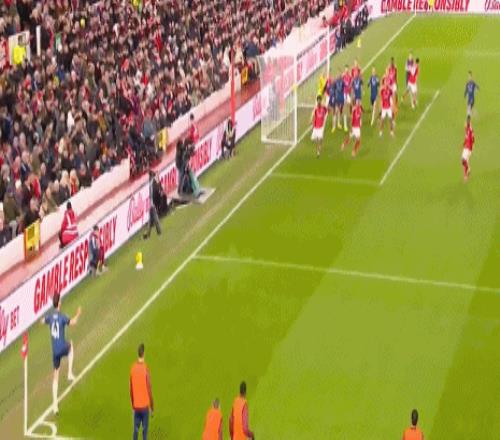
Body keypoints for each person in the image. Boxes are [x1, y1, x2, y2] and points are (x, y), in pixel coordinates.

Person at [40, 293, 81, 415]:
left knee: (55, 375)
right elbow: (73, 322)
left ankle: (55, 406)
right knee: (71, 345)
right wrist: (78, 313)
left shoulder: (50, 317)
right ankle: (69, 373)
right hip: (62, 347)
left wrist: (45, 318)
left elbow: (42, 321)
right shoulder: (62, 317)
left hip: (55, 351)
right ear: (59, 303)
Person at [130, 343, 154, 440]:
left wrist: (133, 405)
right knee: (144, 433)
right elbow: (149, 388)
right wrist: (152, 407)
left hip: (136, 406)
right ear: (144, 353)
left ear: (138, 353)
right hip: (144, 407)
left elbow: (131, 389)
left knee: (135, 431)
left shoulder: (132, 368)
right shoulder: (145, 369)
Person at [143, 171, 162, 239]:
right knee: (152, 220)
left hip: (152, 204)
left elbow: (156, 192)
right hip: (151, 204)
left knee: (154, 219)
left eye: (150, 176)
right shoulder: (152, 183)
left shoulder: (152, 184)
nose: (149, 177)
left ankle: (157, 232)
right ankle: (149, 234)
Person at [461, 115, 475, 181]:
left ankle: (466, 176)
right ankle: (468, 170)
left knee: (464, 160)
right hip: (466, 147)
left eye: (466, 123)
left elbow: (472, 139)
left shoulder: (470, 130)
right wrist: (463, 144)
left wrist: (471, 147)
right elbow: (466, 138)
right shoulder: (467, 129)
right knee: (464, 161)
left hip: (468, 148)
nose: (464, 124)